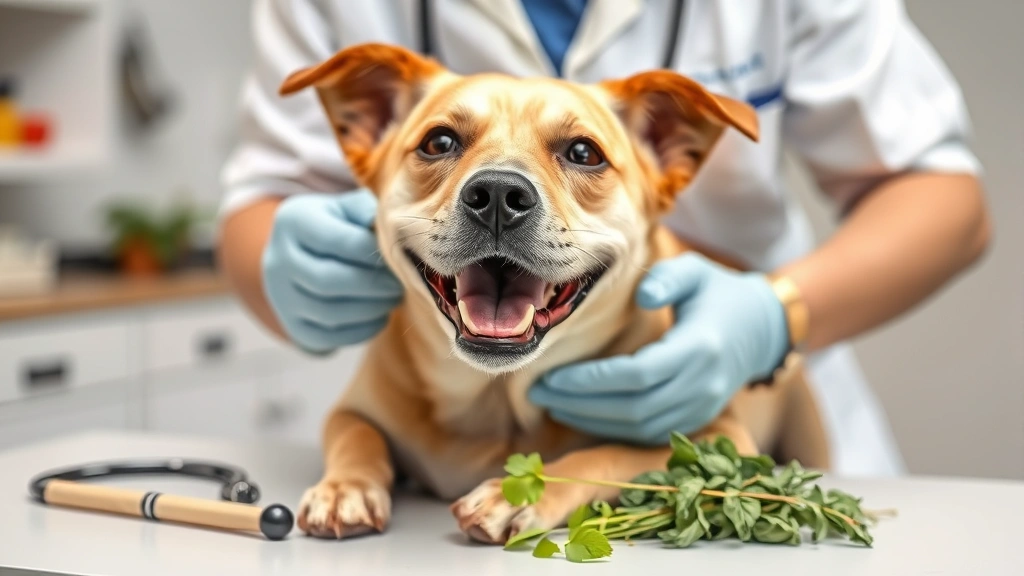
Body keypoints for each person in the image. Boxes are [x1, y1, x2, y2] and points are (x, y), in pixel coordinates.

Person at [217, 0, 990, 477]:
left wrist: (773, 317)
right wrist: (281, 266)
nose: (498, 191)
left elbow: (947, 199)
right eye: (442, 143)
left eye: (581, 154)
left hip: (743, 387)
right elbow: (261, 196)